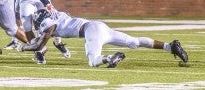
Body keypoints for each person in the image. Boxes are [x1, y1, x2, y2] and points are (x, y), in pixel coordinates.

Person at [18, 9, 188, 68]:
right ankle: (169, 46)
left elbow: (38, 45)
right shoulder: (57, 19)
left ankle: (110, 58)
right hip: (98, 26)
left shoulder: (49, 25)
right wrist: (63, 49)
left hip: (91, 30)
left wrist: (23, 47)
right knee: (134, 42)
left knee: (93, 61)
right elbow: (56, 41)